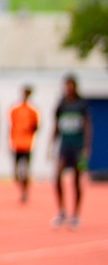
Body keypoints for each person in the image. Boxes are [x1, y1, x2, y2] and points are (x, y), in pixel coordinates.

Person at [52, 74, 91, 229]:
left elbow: (88, 126)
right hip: (64, 145)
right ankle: (61, 211)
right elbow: (56, 125)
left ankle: (75, 214)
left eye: (71, 85)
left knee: (76, 179)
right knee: (57, 176)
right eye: (66, 85)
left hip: (77, 146)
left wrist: (86, 148)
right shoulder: (61, 105)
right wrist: (52, 144)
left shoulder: (81, 105)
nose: (68, 88)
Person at [9, 86, 39, 204]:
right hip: (16, 143)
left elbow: (36, 126)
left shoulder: (32, 111)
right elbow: (11, 125)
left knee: (25, 170)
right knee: (16, 173)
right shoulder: (15, 110)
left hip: (27, 144)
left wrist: (29, 131)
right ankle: (21, 189)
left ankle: (25, 192)